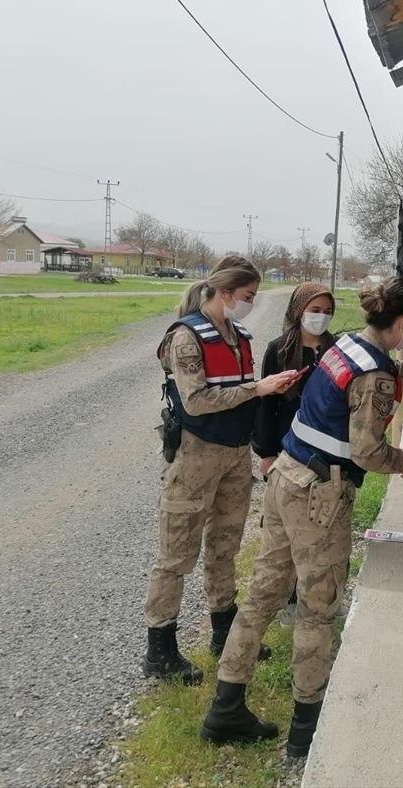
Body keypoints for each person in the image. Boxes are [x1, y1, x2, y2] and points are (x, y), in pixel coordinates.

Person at [201, 277, 403, 757]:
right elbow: (368, 450)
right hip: (319, 496)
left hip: (286, 479)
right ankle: (306, 728)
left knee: (263, 595)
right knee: (317, 609)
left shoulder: (350, 344)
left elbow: (398, 368)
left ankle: (225, 706)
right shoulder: (370, 371)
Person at [143, 257, 299, 685]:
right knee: (176, 555)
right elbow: (196, 402)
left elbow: (238, 392)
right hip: (195, 456)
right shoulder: (186, 337)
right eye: (247, 297)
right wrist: (258, 387)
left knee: (225, 546)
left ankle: (223, 630)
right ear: (225, 293)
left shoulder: (239, 335)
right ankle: (160, 649)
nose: (250, 304)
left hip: (234, 455)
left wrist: (267, 392)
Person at [252, 282, 337, 478]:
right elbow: (267, 403)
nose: (321, 316)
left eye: (327, 311)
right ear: (299, 310)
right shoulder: (279, 349)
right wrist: (266, 452)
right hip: (287, 442)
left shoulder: (336, 350)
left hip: (326, 444)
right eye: (315, 310)